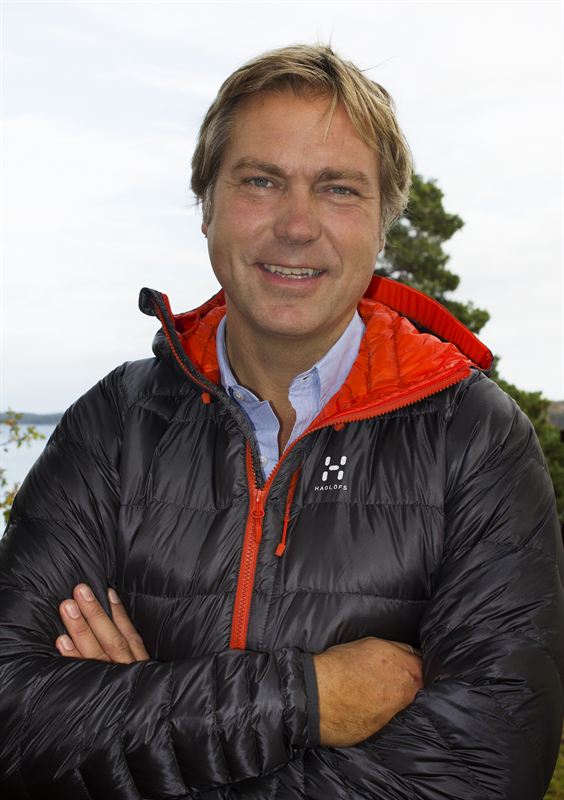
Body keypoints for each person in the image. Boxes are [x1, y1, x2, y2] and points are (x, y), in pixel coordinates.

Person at [0, 44, 562, 800]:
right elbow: (14, 720)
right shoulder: (113, 426)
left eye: (338, 189)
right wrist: (307, 698)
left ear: (383, 223)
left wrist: (140, 725)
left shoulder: (476, 440)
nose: (297, 226)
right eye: (261, 181)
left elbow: (484, 773)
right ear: (207, 205)